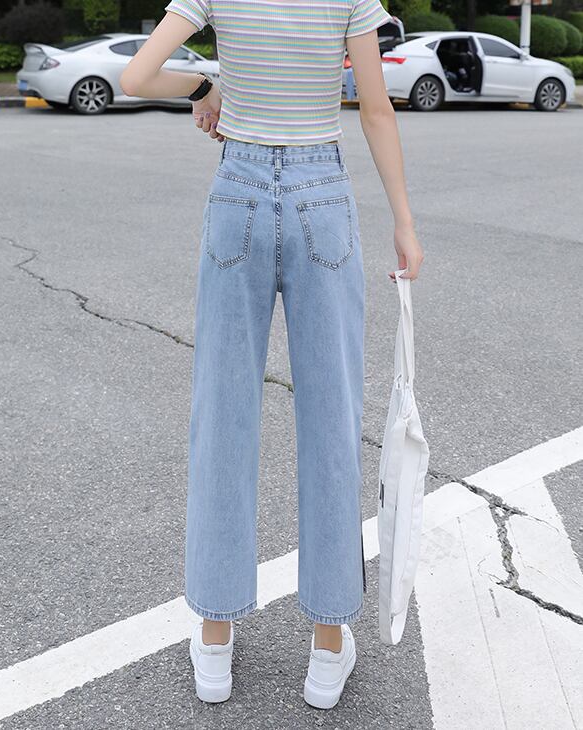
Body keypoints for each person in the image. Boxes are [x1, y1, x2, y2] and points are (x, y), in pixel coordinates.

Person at [120, 0, 424, 710]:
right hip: (322, 194)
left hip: (239, 194)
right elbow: (375, 109)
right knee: (332, 421)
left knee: (222, 418)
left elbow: (136, 77)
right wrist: (404, 224)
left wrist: (205, 87)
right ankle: (326, 647)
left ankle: (215, 641)